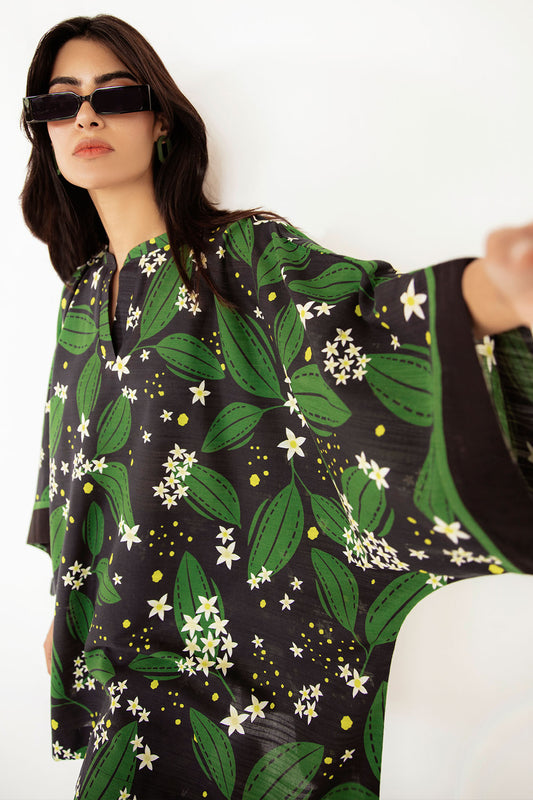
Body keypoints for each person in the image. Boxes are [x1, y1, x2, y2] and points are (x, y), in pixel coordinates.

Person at [23, 14, 533, 800]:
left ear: (161, 121)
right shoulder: (81, 297)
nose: (85, 117)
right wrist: (65, 607)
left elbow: (358, 333)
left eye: (114, 95)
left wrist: (494, 291)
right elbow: (74, 482)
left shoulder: (241, 254)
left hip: (241, 669)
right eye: (61, 103)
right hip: (117, 659)